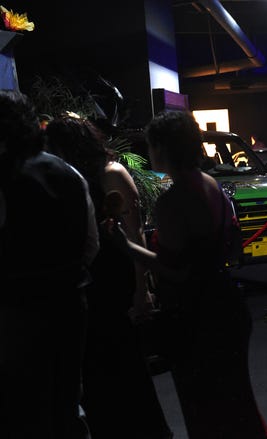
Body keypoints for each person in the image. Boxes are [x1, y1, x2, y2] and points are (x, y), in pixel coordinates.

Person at [111, 109, 267, 439]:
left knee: (204, 409)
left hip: (195, 316)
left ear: (163, 148)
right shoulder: (211, 185)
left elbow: (176, 269)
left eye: (151, 144)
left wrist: (125, 246)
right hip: (227, 304)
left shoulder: (172, 201)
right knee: (238, 404)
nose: (149, 151)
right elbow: (229, 248)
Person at [45, 115, 172, 439]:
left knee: (126, 363)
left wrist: (142, 290)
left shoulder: (110, 172)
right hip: (92, 279)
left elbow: (136, 232)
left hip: (117, 273)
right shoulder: (72, 176)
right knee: (99, 368)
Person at [0, 90, 98, 438]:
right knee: (67, 394)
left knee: (20, 403)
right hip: (71, 300)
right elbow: (91, 244)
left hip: (16, 308)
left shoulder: (6, 176)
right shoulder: (68, 173)